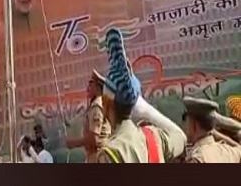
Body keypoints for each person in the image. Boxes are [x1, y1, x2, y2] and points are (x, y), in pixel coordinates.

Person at [96, 28, 186, 163]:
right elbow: (180, 137)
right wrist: (144, 108)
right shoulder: (153, 137)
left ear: (107, 103)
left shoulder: (109, 154)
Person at [66, 69, 111, 162]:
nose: (87, 88)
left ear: (98, 88)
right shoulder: (98, 104)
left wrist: (73, 144)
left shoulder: (96, 107)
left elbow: (94, 139)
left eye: (91, 85)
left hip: (98, 157)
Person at [182, 97, 241, 163]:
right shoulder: (229, 152)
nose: (185, 126)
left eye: (186, 121)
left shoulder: (197, 159)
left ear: (194, 125)